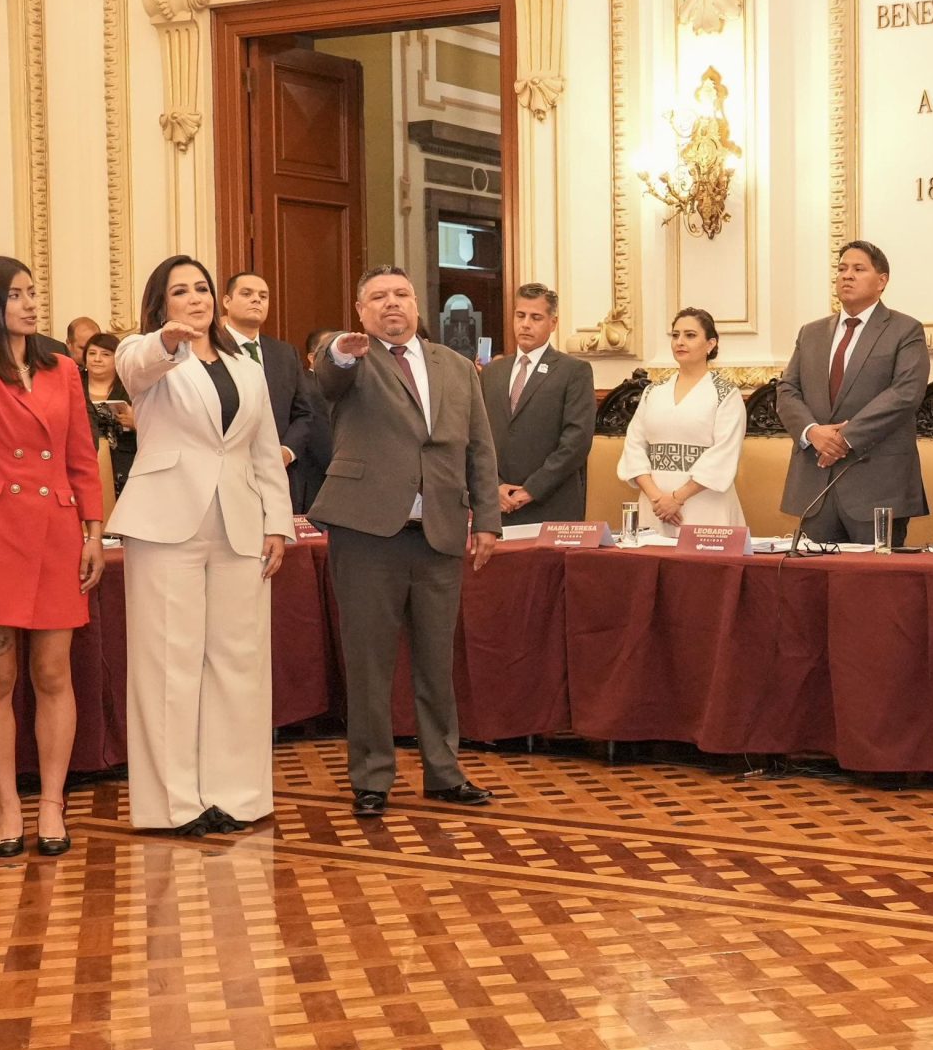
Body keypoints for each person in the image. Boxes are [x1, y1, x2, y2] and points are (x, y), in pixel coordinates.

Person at [110, 256, 295, 836]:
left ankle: (236, 795)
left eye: (203, 288)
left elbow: (265, 449)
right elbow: (138, 366)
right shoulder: (145, 352)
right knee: (170, 663)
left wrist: (277, 523)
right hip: (167, 523)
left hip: (239, 523)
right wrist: (166, 341)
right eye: (181, 291)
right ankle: (174, 804)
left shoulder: (246, 364)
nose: (196, 298)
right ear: (160, 303)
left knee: (239, 662)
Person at [0, 257, 106, 860]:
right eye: (14, 295)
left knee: (54, 673)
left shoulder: (62, 370)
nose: (30, 304)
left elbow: (81, 455)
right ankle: (7, 802)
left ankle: (52, 802)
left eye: (34, 292)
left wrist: (94, 532)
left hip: (58, 532)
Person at [313, 266, 501, 817]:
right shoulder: (350, 357)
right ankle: (371, 777)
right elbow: (329, 376)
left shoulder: (456, 367)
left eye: (400, 294)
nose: (391, 304)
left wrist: (485, 519)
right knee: (369, 661)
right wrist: (342, 352)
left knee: (437, 663)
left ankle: (444, 773)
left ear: (417, 304)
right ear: (361, 310)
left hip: (440, 530)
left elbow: (480, 450)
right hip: (368, 531)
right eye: (377, 297)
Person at [772, 240, 931, 545]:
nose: (847, 275)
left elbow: (906, 393)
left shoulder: (905, 330)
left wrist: (845, 438)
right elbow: (788, 389)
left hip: (878, 486)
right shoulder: (811, 332)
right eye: (842, 269)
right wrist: (812, 432)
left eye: (858, 269)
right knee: (813, 586)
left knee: (874, 588)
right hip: (815, 484)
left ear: (881, 281)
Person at [618, 308, 746, 539]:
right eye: (675, 335)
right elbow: (634, 446)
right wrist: (659, 498)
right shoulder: (653, 391)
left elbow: (724, 454)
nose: (680, 342)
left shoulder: (726, 394)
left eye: (690, 335)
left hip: (705, 506)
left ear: (710, 344)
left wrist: (677, 499)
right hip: (655, 507)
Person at [481, 282, 597, 527]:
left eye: (536, 317)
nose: (525, 324)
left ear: (553, 323)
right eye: (520, 315)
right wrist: (496, 486)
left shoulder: (573, 371)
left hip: (552, 504)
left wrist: (532, 489)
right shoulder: (492, 372)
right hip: (498, 506)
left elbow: (576, 442)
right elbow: (477, 436)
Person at [219, 270, 326, 513]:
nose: (256, 300)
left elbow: (304, 413)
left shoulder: (284, 353)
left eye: (263, 296)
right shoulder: (210, 349)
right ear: (227, 301)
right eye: (247, 294)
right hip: (226, 470)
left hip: (280, 475)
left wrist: (286, 452)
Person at [80, 332, 138, 489]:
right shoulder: (72, 383)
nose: (97, 359)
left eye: (105, 354)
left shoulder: (132, 386)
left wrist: (136, 423)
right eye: (92, 353)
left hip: (125, 465)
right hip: (82, 461)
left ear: (117, 358)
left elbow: (157, 427)